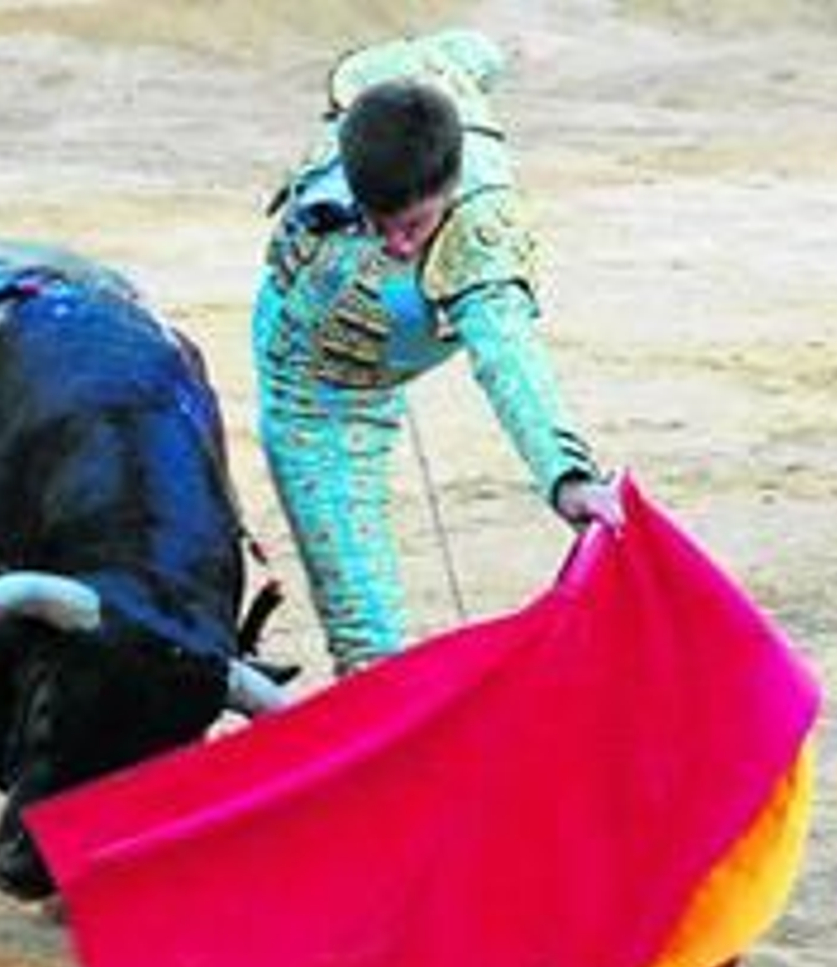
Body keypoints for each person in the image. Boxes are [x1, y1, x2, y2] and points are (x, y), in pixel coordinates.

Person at [252, 29, 624, 675]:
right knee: (368, 645)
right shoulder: (403, 83)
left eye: (413, 225)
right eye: (376, 221)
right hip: (304, 368)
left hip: (329, 407)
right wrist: (507, 45)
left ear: (451, 184)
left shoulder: (481, 239)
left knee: (368, 650)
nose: (395, 243)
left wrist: (568, 477)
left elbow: (509, 358)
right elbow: (466, 50)